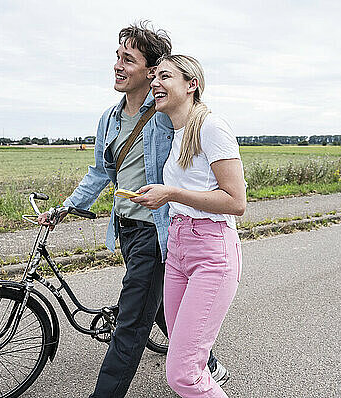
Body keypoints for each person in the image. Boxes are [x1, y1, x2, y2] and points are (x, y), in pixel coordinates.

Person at [37, 22, 227, 397]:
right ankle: (205, 361)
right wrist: (66, 208)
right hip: (125, 226)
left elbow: (197, 155)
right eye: (117, 57)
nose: (118, 66)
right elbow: (101, 172)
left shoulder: (168, 118)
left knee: (131, 322)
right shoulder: (109, 118)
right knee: (153, 302)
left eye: (129, 59)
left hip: (158, 231)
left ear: (152, 71)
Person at [132, 54, 247, 397]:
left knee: (182, 374)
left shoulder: (212, 127)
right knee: (190, 367)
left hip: (212, 253)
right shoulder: (177, 132)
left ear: (191, 84)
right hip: (178, 249)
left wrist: (172, 194)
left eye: (164, 76)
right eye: (154, 77)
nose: (154, 83)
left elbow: (236, 201)